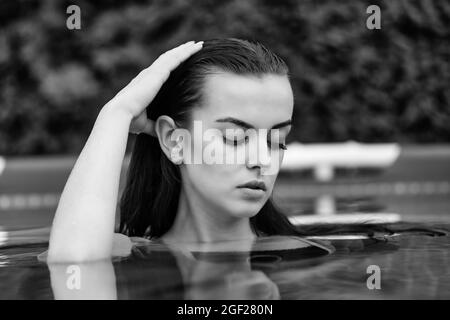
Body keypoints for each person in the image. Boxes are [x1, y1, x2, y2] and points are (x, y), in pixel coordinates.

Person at [44, 38, 333, 263]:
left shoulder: (307, 258)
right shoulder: (130, 255)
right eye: (234, 137)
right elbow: (74, 273)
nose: (262, 161)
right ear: (174, 140)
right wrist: (116, 114)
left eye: (276, 141)